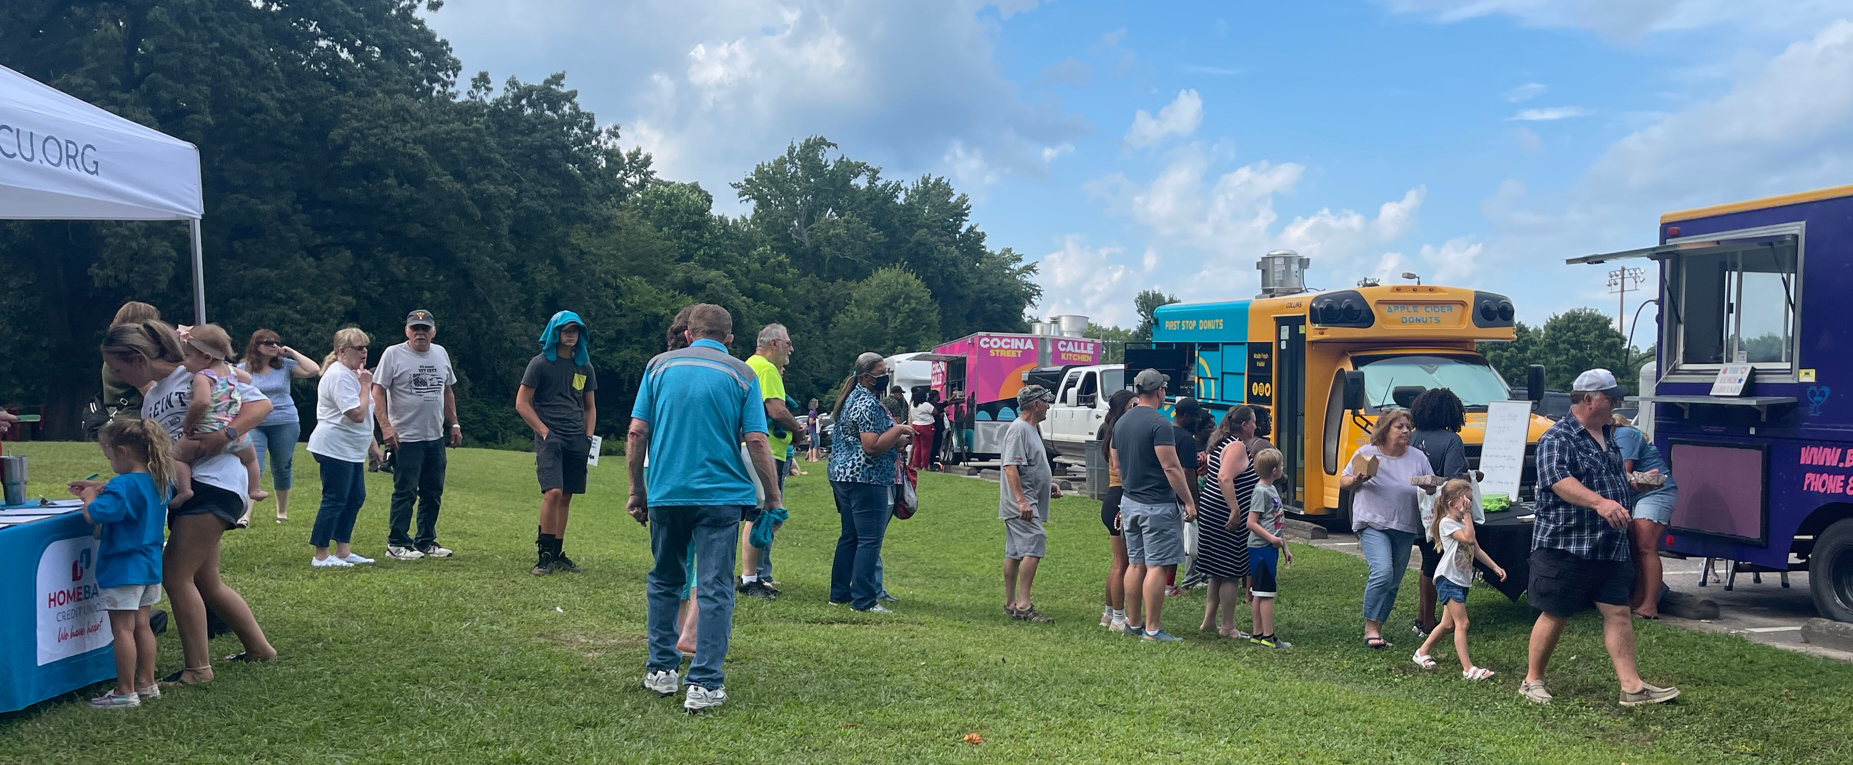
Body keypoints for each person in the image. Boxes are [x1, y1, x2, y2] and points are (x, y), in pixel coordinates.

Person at [101, 320, 277, 685]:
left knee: (175, 574)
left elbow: (261, 407)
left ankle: (198, 668)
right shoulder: (151, 398)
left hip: (216, 483)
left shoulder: (197, 371)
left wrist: (223, 436)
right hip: (189, 488)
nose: (117, 377)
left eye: (118, 369)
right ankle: (260, 649)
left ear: (137, 359)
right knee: (206, 580)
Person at [628, 303, 781, 713]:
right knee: (713, 586)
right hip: (720, 497)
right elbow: (757, 441)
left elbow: (637, 430)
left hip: (666, 491)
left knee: (664, 579)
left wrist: (636, 489)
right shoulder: (743, 374)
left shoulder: (657, 367)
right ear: (729, 339)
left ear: (690, 334)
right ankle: (705, 683)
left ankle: (661, 670)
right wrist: (772, 496)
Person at [1522, 369, 1678, 706]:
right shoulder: (1557, 437)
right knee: (1555, 611)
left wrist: (1635, 485)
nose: (1616, 404)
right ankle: (1532, 680)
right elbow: (1558, 480)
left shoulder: (1610, 436)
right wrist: (1600, 503)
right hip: (1566, 543)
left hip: (1609, 544)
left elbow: (1610, 481)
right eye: (1611, 398)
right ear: (1589, 400)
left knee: (1619, 613)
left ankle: (1632, 687)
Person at [69, 419, 173, 708]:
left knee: (122, 630)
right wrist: (102, 486)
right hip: (150, 566)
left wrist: (89, 496)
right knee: (143, 626)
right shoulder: (159, 480)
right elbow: (131, 494)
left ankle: (124, 691)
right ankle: (147, 683)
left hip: (123, 566)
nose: (110, 462)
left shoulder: (122, 486)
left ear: (123, 451)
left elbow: (95, 514)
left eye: (110, 456)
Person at [1115, 369, 1200, 643]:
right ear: (1159, 391)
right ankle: (1152, 629)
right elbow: (1171, 466)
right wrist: (1188, 500)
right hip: (1157, 504)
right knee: (1157, 566)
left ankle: (1134, 622)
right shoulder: (1159, 423)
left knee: (1135, 563)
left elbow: (1117, 465)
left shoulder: (1122, 422)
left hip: (1129, 501)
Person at [828, 353, 914, 613]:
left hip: (843, 475)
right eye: (881, 373)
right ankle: (864, 600)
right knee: (869, 539)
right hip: (866, 478)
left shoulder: (852, 398)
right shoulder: (867, 403)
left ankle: (839, 594)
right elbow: (872, 446)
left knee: (850, 537)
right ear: (866, 377)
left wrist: (894, 441)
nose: (885, 377)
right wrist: (899, 430)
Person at [373, 309, 461, 561]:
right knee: (405, 491)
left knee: (433, 491)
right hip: (405, 436)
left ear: (433, 331)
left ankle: (425, 540)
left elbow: (447, 391)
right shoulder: (393, 354)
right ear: (407, 331)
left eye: (425, 329)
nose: (420, 333)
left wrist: (454, 424)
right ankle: (397, 543)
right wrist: (386, 427)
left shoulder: (440, 353)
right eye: (415, 329)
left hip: (433, 435)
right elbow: (378, 391)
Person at [1341, 408, 1433, 650]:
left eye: (1408, 426)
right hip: (1372, 522)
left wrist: (1431, 488)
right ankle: (1370, 627)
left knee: (1393, 581)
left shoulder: (1417, 458)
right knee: (1382, 572)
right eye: (1399, 426)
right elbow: (1345, 481)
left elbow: (1431, 486)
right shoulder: (1367, 453)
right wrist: (1357, 480)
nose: (1405, 431)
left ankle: (1378, 628)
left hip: (1404, 525)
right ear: (1385, 429)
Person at [516, 311, 598, 576]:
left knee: (566, 495)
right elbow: (522, 403)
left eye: (575, 330)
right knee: (552, 492)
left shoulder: (584, 366)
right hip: (550, 438)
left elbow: (589, 407)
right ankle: (544, 555)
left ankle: (559, 554)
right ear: (555, 333)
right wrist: (544, 432)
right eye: (566, 330)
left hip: (577, 437)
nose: (571, 334)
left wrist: (588, 436)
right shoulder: (539, 364)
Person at [1412, 479, 1507, 679]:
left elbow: (1476, 549)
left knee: (1448, 625)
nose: (1469, 504)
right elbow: (1469, 539)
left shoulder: (1464, 522)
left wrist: (1494, 566)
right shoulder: (1447, 523)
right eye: (1465, 501)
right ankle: (1468, 669)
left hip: (1461, 579)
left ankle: (1421, 653)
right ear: (1451, 504)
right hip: (1448, 579)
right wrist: (1467, 516)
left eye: (1469, 501)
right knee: (1462, 623)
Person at [306, 328, 382, 568]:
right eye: (358, 348)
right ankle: (320, 555)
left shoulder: (353, 375)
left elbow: (366, 418)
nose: (364, 352)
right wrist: (365, 386)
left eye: (365, 347)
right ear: (341, 351)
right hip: (334, 446)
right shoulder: (339, 376)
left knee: (355, 497)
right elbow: (356, 415)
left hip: (351, 448)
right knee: (335, 498)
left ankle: (343, 551)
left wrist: (373, 446)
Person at [168, 324, 266, 510]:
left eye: (187, 356)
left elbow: (202, 402)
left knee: (177, 457)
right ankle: (255, 489)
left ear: (206, 358)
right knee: (251, 459)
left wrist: (188, 423)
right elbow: (248, 379)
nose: (183, 361)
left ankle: (185, 490)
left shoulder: (202, 376)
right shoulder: (230, 371)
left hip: (204, 432)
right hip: (236, 435)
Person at [738, 324, 803, 599]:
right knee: (761, 513)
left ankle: (748, 574)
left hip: (743, 447)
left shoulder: (747, 364)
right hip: (766, 450)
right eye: (787, 343)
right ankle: (750, 578)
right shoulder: (766, 369)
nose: (791, 348)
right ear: (774, 343)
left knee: (748, 513)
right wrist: (798, 430)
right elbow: (776, 409)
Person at [239, 329, 320, 523]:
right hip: (254, 422)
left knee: (283, 466)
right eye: (268, 342)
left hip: (284, 421)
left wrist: (291, 352)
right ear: (256, 345)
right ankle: (245, 515)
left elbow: (314, 370)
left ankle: (281, 512)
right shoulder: (243, 368)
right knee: (254, 466)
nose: (274, 346)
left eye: (277, 342)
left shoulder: (285, 366)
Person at [1409, 388, 1469, 637]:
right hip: (1438, 513)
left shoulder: (1411, 437)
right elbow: (1454, 479)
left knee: (1426, 561)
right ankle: (1428, 620)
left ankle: (1422, 617)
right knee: (1434, 563)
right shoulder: (1451, 440)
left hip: (1412, 510)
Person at [1195, 405, 1257, 639]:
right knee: (1231, 570)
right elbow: (1224, 477)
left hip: (1211, 510)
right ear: (1244, 425)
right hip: (1224, 512)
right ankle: (1227, 625)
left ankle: (1208, 621)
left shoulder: (1221, 442)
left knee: (1216, 570)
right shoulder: (1237, 446)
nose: (1256, 426)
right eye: (1253, 422)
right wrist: (1235, 509)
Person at [1001, 385, 1056, 623]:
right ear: (1035, 404)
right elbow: (1010, 466)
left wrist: (1049, 483)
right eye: (1046, 402)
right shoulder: (1019, 430)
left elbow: (1030, 464)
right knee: (1035, 543)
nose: (1048, 406)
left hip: (1027, 499)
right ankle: (1024, 605)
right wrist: (1021, 501)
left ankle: (1010, 602)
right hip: (1021, 504)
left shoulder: (1032, 428)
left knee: (1014, 552)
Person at [1614, 414, 1678, 620]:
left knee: (1645, 547)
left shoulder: (1624, 434)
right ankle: (1638, 600)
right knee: (1636, 548)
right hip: (1637, 495)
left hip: (1655, 493)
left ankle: (1650, 605)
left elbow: (1622, 473)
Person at [1096, 390, 1136, 631]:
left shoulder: (1115, 432)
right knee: (1123, 563)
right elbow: (1121, 471)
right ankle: (1119, 618)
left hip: (1113, 499)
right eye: (1133, 406)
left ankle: (1109, 613)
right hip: (1119, 498)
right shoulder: (1120, 435)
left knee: (1119, 562)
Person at [1246, 447, 1293, 649]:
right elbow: (1251, 522)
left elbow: (1277, 523)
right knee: (1266, 594)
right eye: (1281, 465)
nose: (1282, 468)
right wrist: (1271, 540)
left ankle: (1257, 633)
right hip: (1261, 549)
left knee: (1259, 592)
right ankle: (1268, 635)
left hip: (1270, 547)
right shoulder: (1260, 492)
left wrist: (1284, 547)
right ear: (1275, 470)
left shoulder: (1272, 489)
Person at [99, 302, 162, 428]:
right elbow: (152, 392)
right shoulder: (128, 354)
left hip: (124, 420)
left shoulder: (115, 351)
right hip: (134, 422)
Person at [1170, 398, 1209, 595]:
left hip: (1165, 493)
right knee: (1189, 538)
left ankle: (1172, 582)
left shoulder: (1165, 432)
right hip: (1181, 496)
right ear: (1185, 416)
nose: (1197, 420)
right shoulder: (1185, 439)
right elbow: (1188, 472)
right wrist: (1192, 501)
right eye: (1195, 416)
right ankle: (1190, 577)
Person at [910, 386, 936, 472]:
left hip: (915, 426)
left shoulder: (913, 404)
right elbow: (935, 412)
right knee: (926, 448)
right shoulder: (926, 405)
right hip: (926, 426)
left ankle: (916, 465)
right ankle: (925, 466)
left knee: (917, 447)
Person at [805, 398, 822, 462]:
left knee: (812, 444)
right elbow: (811, 422)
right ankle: (814, 458)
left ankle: (810, 458)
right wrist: (818, 419)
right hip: (814, 430)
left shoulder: (813, 412)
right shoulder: (812, 413)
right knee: (816, 444)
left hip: (813, 430)